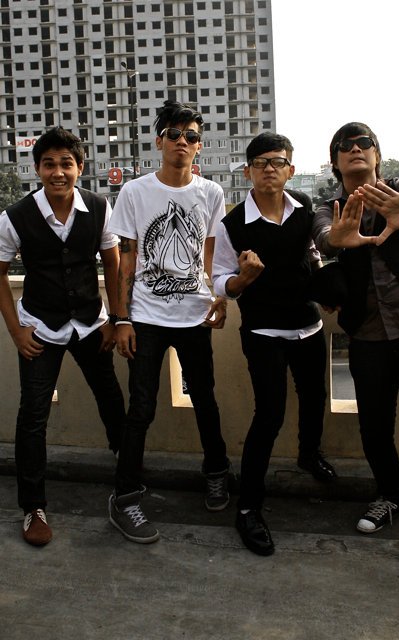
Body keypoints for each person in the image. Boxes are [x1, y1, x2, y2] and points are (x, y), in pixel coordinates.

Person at [108, 100, 229, 544]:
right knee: (141, 407)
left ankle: (217, 472)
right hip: (146, 316)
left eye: (190, 136)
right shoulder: (135, 192)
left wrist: (219, 296)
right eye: (174, 134)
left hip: (195, 314)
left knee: (206, 399)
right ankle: (125, 496)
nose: (182, 142)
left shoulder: (211, 193)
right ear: (159, 141)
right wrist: (121, 318)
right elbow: (126, 259)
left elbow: (213, 255)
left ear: (200, 146)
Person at [0, 127, 126, 546]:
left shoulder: (99, 206)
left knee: (111, 399)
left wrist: (116, 318)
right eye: (49, 164)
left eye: (66, 163)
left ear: (80, 167)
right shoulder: (15, 216)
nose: (58, 172)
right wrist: (16, 331)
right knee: (33, 415)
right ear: (37, 169)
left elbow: (113, 264)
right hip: (40, 326)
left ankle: (128, 481)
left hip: (91, 322)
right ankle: (33, 507)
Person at [212, 132, 336, 556]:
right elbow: (220, 281)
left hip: (307, 324)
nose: (269, 169)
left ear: (290, 169)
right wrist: (242, 280)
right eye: (261, 162)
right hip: (263, 331)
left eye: (277, 162)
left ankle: (308, 454)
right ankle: (248, 507)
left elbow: (314, 253)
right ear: (247, 171)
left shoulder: (304, 207)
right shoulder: (233, 224)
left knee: (315, 397)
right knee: (269, 415)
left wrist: (323, 284)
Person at [312, 122, 399, 534]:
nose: (355, 149)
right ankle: (390, 495)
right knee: (375, 424)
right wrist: (337, 237)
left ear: (377, 154)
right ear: (335, 161)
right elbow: (324, 235)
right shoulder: (329, 207)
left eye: (365, 143)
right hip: (367, 332)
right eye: (345, 145)